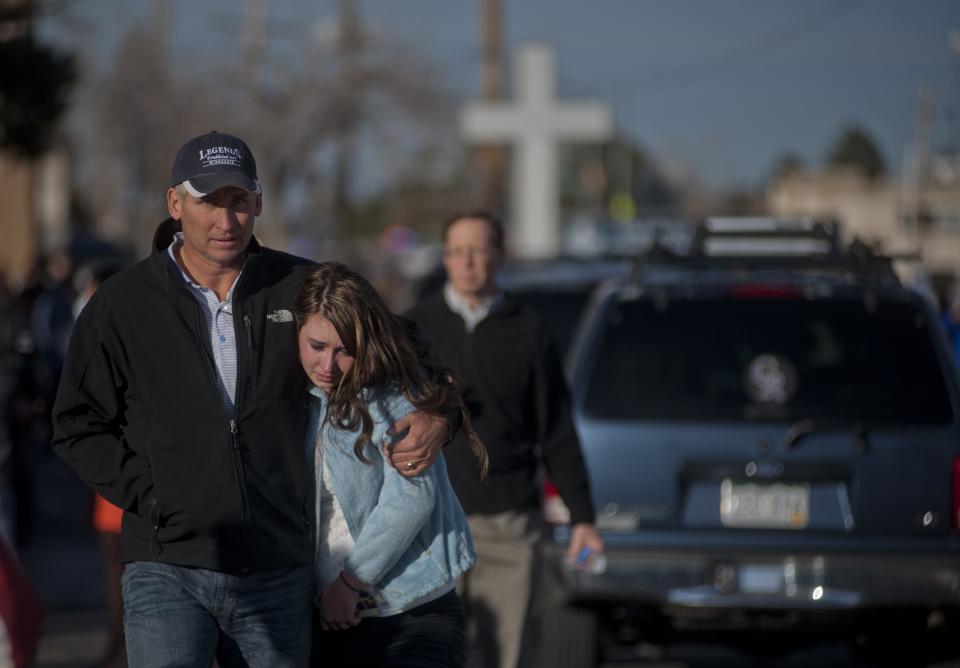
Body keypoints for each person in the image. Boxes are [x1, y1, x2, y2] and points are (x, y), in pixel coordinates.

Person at [51, 131, 450, 668]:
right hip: (167, 565)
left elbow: (412, 351)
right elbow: (76, 423)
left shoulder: (301, 285)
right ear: (175, 204)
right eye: (208, 202)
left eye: (238, 202)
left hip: (278, 568)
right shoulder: (121, 304)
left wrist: (439, 413)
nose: (225, 220)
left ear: (258, 202)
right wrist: (152, 495)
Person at [406, 210, 604, 668]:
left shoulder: (529, 330)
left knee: (507, 656)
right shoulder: (415, 326)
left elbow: (555, 428)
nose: (467, 262)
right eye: (457, 251)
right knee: (429, 654)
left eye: (478, 250)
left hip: (508, 526)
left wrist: (583, 517)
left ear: (501, 255)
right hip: (429, 521)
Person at [295, 262, 486, 667]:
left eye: (344, 350)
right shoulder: (298, 399)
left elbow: (413, 499)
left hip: (411, 609)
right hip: (328, 618)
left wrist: (349, 583)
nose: (328, 365)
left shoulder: (392, 392)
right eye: (317, 346)